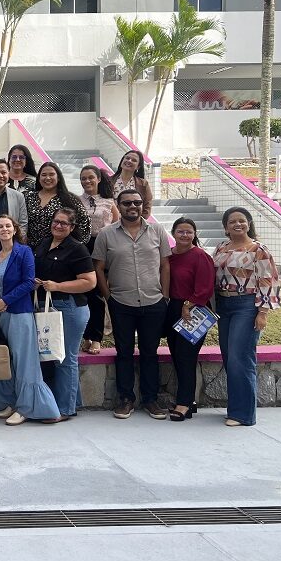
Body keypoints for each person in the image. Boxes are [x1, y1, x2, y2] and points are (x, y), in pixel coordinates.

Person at [93, 189, 171, 421]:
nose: (132, 206)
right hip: (121, 302)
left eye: (137, 202)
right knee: (124, 352)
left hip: (153, 300)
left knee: (150, 352)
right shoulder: (107, 234)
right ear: (119, 205)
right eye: (127, 203)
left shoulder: (156, 230)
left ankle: (150, 399)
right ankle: (126, 398)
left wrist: (165, 295)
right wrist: (109, 297)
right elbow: (98, 267)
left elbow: (165, 265)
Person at [0, 215, 62, 425]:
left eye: (8, 226)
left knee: (24, 361)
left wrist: (5, 301)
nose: (4, 229)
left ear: (14, 229)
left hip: (19, 312)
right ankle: (10, 402)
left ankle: (28, 408)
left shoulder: (24, 252)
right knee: (7, 359)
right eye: (0, 226)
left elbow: (29, 282)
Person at [214, 207, 281, 427]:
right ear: (226, 227)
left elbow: (267, 281)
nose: (238, 224)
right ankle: (235, 408)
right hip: (224, 306)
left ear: (249, 224)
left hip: (247, 306)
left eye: (242, 221)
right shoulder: (221, 248)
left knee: (240, 358)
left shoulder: (258, 250)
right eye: (232, 221)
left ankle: (243, 414)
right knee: (228, 357)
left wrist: (262, 313)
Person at [33, 208, 97, 418]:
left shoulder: (77, 249)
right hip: (48, 307)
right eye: (56, 221)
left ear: (72, 227)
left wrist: (58, 286)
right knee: (53, 357)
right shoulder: (44, 243)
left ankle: (65, 409)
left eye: (64, 223)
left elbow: (89, 282)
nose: (58, 226)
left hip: (70, 308)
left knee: (65, 358)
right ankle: (73, 401)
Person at [165, 218, 215, 422]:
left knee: (186, 357)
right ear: (173, 233)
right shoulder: (169, 256)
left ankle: (183, 403)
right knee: (177, 356)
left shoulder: (200, 256)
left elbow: (205, 287)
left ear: (194, 234)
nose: (184, 235)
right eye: (180, 231)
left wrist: (189, 304)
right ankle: (189, 401)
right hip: (173, 308)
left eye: (189, 232)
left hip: (193, 310)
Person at [78, 165, 120, 355]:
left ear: (99, 179)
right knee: (83, 295)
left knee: (97, 294)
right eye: (83, 178)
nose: (87, 181)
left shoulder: (109, 202)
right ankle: (85, 336)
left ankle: (96, 337)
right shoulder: (76, 201)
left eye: (90, 178)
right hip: (81, 248)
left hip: (102, 248)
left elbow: (118, 226)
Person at [24, 162, 90, 249]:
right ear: (39, 178)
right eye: (43, 175)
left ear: (58, 177)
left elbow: (85, 224)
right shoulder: (28, 197)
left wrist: (73, 247)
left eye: (51, 174)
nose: (47, 178)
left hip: (60, 253)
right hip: (30, 250)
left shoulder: (70, 199)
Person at [112, 150, 154, 218]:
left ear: (138, 167)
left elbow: (147, 207)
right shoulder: (108, 181)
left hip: (134, 224)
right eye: (127, 158)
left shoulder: (143, 184)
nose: (129, 161)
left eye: (134, 160)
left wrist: (137, 223)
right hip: (111, 224)